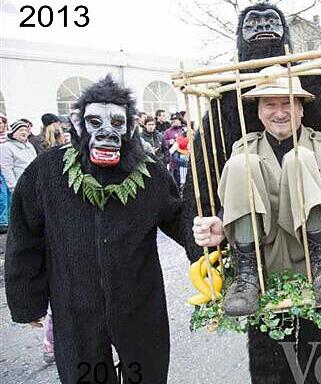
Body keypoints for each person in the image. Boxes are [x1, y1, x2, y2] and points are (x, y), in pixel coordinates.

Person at [4, 76, 186, 384]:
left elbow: (179, 219)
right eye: (94, 122)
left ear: (129, 128)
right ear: (78, 122)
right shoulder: (47, 172)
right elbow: (24, 235)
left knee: (148, 375)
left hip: (139, 304)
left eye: (116, 122)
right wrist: (27, 300)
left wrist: (211, 249)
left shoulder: (152, 174)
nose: (105, 132)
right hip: (75, 309)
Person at [193, 65, 321, 315]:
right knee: (243, 164)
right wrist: (220, 225)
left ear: (301, 108)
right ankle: (246, 274)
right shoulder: (243, 149)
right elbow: (235, 202)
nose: (280, 112)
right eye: (270, 105)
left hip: (311, 260)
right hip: (265, 261)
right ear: (260, 112)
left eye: (288, 103)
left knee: (299, 158)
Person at [0, 113, 9, 233]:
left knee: (6, 196)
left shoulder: (8, 137)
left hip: (5, 171)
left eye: (1, 122)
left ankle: (5, 220)